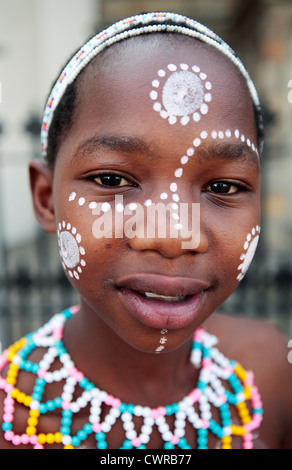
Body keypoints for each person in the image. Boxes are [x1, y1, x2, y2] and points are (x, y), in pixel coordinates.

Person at [0, 12, 291, 449]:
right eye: (113, 180)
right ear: (46, 199)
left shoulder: (270, 368)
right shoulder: (10, 415)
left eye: (222, 186)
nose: (173, 235)